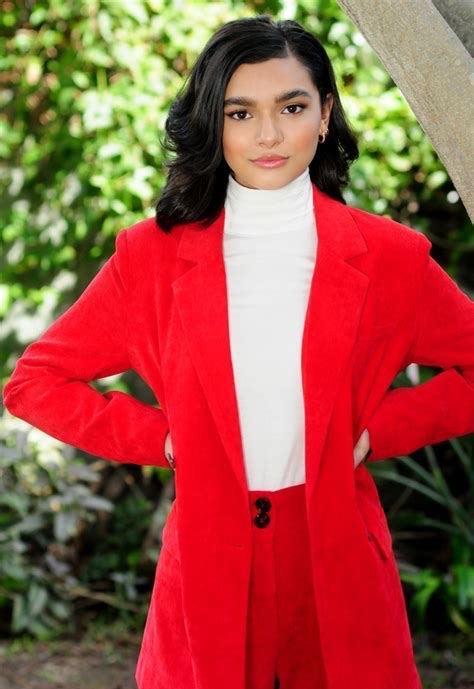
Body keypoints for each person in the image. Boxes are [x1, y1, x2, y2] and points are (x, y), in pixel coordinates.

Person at [3, 14, 473, 689]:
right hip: (207, 566)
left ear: (325, 114)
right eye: (240, 112)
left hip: (338, 562)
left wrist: (380, 430)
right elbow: (35, 381)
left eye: (292, 107)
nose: (268, 134)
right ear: (213, 123)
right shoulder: (151, 258)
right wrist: (163, 440)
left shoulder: (392, 257)